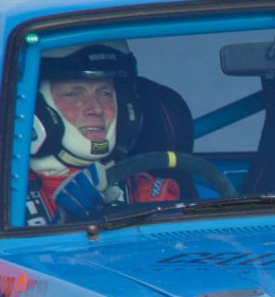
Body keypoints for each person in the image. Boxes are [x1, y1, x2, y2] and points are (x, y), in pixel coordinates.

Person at [26, 42, 186, 226]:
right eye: (73, 94)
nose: (95, 109)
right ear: (41, 110)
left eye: (105, 94)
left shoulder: (145, 194)